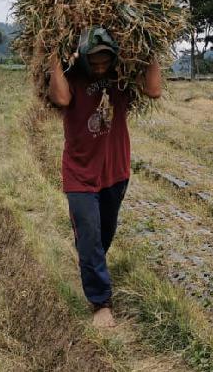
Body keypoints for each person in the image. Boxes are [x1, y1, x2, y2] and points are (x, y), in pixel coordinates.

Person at [48, 27, 162, 329]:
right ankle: (101, 303)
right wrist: (51, 56)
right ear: (84, 56)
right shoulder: (72, 75)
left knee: (102, 235)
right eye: (94, 61)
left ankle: (90, 260)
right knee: (89, 235)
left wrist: (151, 48)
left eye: (104, 61)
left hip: (115, 171)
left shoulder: (120, 77)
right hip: (80, 174)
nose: (99, 67)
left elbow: (153, 90)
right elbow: (60, 99)